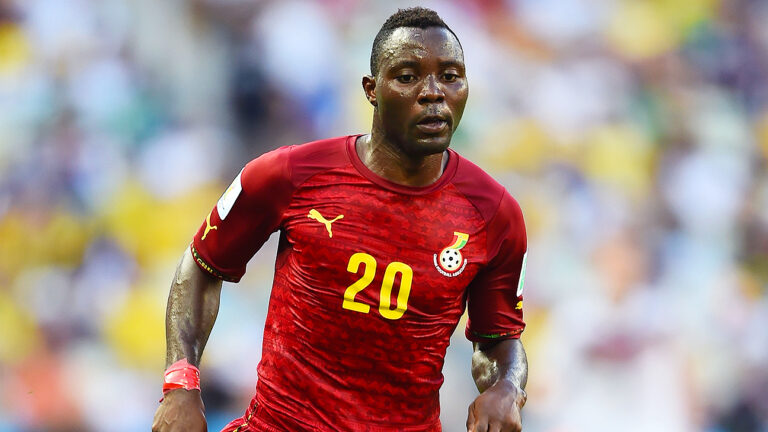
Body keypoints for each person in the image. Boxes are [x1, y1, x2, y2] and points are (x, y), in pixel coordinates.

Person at [152, 7, 529, 432]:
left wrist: (507, 387)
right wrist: (180, 385)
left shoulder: (494, 214)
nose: (433, 93)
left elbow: (498, 341)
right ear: (372, 89)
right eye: (408, 76)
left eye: (450, 76)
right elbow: (201, 267)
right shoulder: (288, 174)